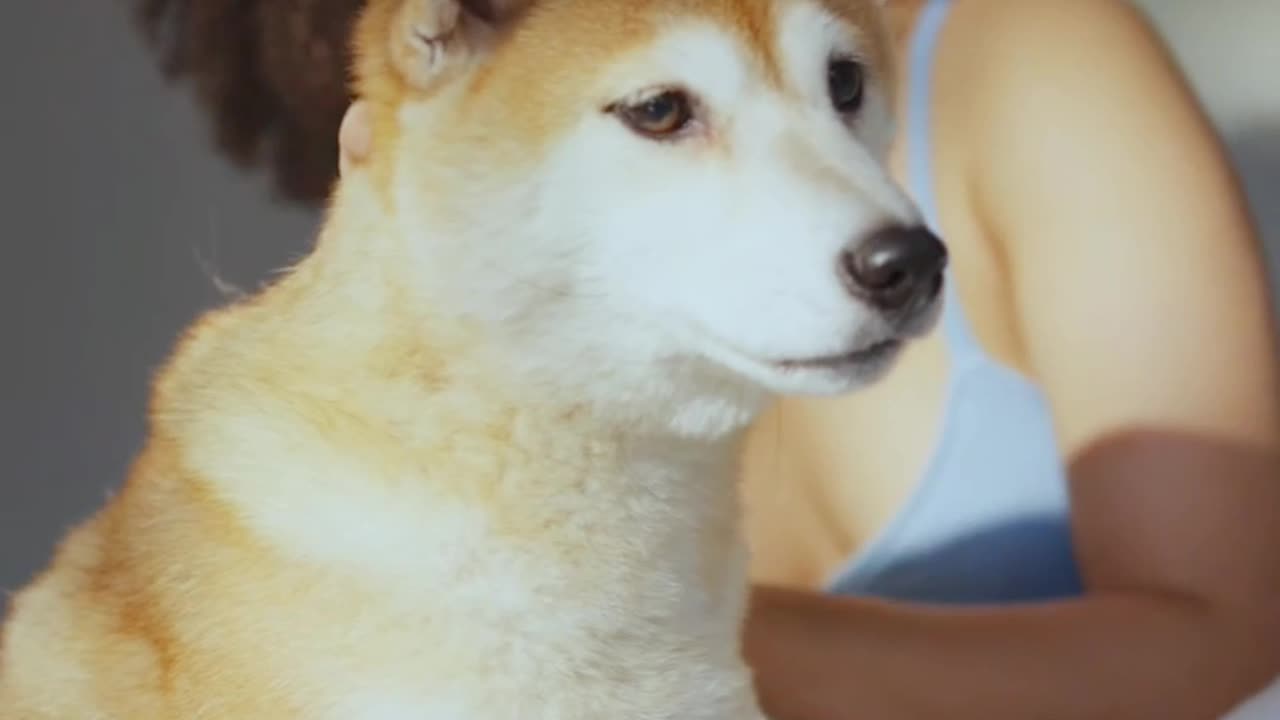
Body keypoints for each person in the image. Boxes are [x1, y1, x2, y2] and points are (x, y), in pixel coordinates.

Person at [136, 0, 1280, 717]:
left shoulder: (1025, 51)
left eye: (844, 92)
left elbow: (1227, 636)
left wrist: (649, 641)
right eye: (659, 112)